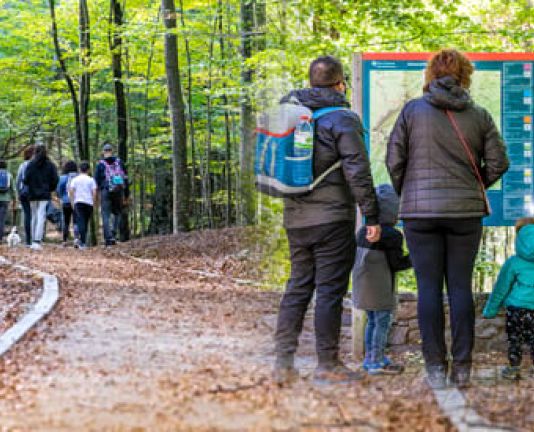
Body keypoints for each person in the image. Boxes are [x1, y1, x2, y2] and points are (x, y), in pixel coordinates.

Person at [386, 49, 509, 389]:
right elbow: (499, 162)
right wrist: (473, 186)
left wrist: (410, 191)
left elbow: (394, 159)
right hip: (465, 214)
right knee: (460, 288)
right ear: (465, 76)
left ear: (430, 74)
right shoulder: (480, 115)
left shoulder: (412, 112)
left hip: (419, 214)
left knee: (427, 289)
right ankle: (463, 367)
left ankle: (436, 369)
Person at [273, 55, 381, 386]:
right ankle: (328, 364)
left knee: (298, 286)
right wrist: (372, 213)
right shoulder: (342, 118)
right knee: (331, 290)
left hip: (295, 217)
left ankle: (283, 363)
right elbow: (357, 169)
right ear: (340, 84)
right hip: (332, 217)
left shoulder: (291, 114)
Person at [353, 184, 411, 375]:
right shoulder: (391, 235)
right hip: (379, 288)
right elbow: (397, 264)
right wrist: (416, 257)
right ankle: (376, 361)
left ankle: (370, 358)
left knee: (372, 321)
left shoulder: (363, 231)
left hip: (363, 286)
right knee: (382, 322)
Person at [483, 218, 534, 380]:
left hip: (516, 309)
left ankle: (514, 368)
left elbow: (501, 288)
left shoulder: (513, 262)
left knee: (515, 339)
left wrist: (490, 310)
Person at [24, 145, 59, 250]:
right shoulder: (50, 165)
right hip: (44, 193)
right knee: (41, 215)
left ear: (35, 152)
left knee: (33, 216)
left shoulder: (30, 164)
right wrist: (50, 188)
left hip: (32, 194)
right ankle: (37, 240)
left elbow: (25, 179)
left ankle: (32, 240)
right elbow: (55, 179)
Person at [94, 143, 129, 246]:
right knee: (117, 213)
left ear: (103, 152)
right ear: (112, 151)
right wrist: (126, 195)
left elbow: (96, 181)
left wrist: (97, 195)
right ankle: (113, 233)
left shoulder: (100, 164)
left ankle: (108, 238)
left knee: (105, 215)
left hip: (106, 191)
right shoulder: (119, 162)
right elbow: (125, 179)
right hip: (118, 191)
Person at [68, 162, 97, 250]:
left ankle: (81, 241)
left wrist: (73, 201)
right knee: (85, 222)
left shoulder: (75, 179)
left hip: (78, 202)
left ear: (79, 169)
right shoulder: (91, 180)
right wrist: (94, 203)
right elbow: (94, 192)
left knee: (81, 221)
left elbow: (71, 190)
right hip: (88, 203)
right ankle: (82, 242)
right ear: (88, 170)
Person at [57, 160, 79, 246]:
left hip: (66, 202)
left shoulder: (62, 178)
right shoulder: (78, 177)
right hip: (76, 201)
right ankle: (76, 238)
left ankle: (64, 240)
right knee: (76, 221)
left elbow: (59, 190)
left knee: (66, 221)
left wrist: (61, 197)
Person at [16, 146, 35, 246]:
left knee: (27, 215)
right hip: (36, 193)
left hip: (25, 193)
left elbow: (18, 180)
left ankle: (28, 240)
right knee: (36, 215)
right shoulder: (37, 165)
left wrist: (18, 193)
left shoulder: (23, 165)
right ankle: (36, 239)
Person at [0, 160, 16, 242]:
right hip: (5, 200)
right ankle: (0, 238)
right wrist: (14, 199)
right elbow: (13, 189)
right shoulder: (9, 175)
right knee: (1, 219)